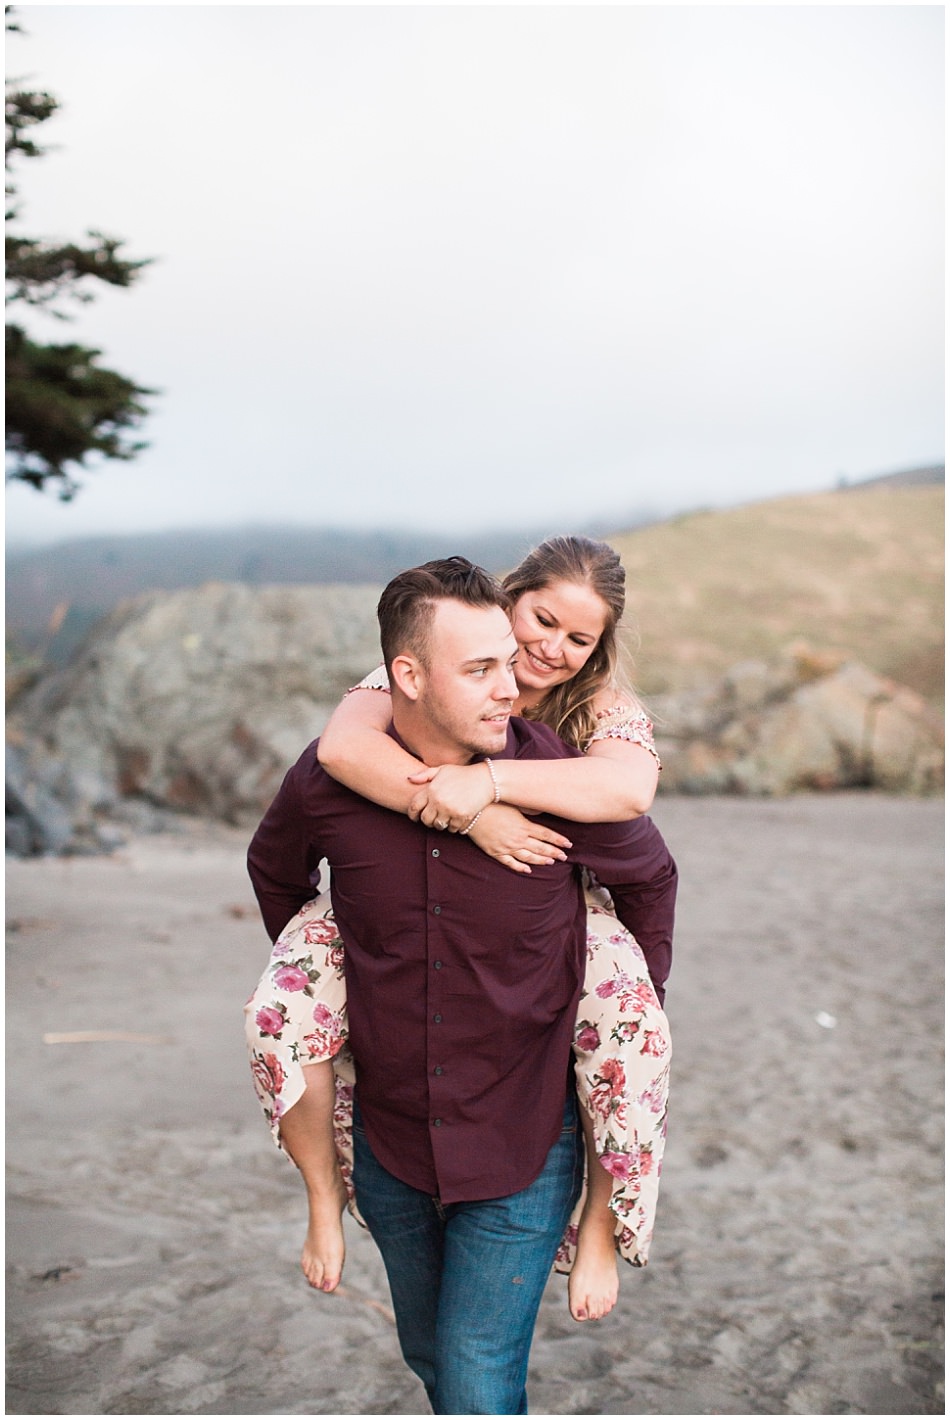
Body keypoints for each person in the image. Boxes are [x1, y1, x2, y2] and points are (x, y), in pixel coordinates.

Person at [247, 556, 677, 1416]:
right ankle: (323, 1195)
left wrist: (630, 986)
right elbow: (295, 831)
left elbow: (641, 836)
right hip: (395, 1138)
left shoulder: (579, 748)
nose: (529, 666)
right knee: (434, 1355)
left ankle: (600, 1219)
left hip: (523, 1136)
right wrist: (347, 956)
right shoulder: (358, 740)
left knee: (477, 1373)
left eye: (574, 638)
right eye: (527, 633)